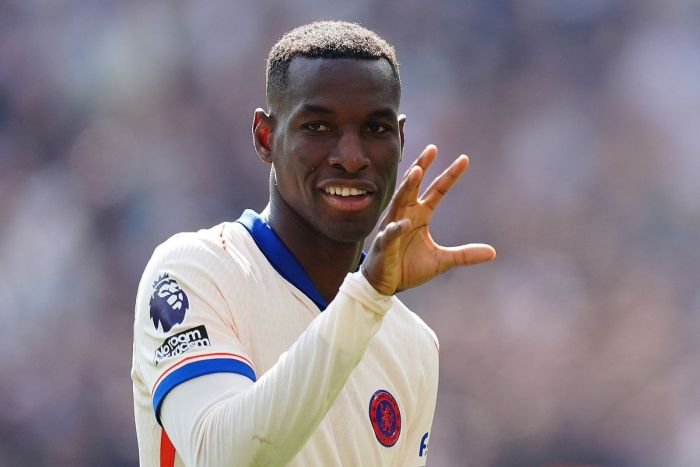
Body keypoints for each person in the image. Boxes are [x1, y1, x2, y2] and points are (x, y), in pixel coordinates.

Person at [131, 20, 495, 467]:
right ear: (266, 138)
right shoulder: (194, 273)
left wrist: (368, 299)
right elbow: (222, 457)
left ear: (401, 141)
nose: (351, 157)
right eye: (319, 127)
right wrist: (366, 297)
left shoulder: (412, 343)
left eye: (375, 129)